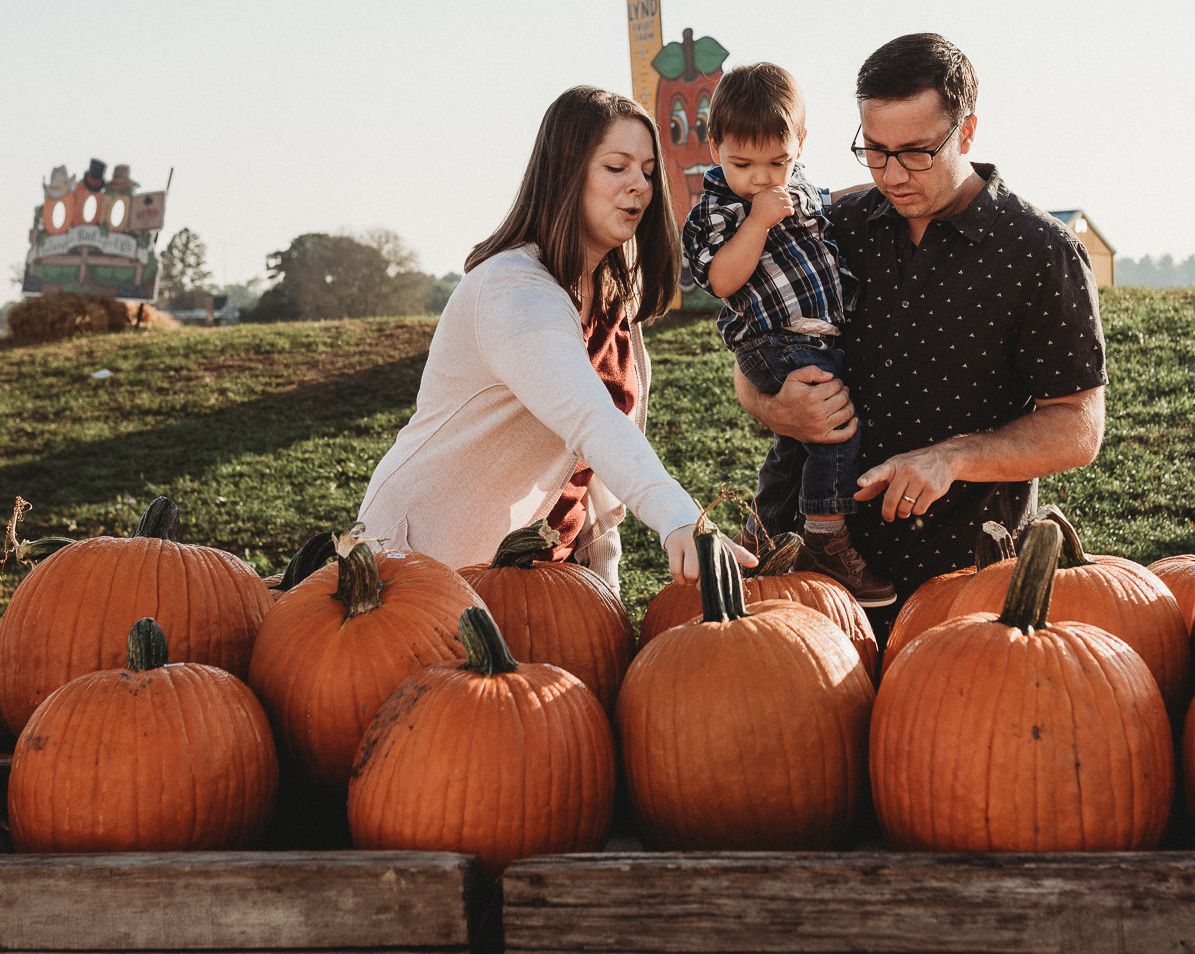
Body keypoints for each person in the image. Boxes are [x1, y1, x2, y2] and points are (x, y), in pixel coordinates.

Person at [736, 34, 1107, 610]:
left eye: (915, 152)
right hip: (797, 568)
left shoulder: (1040, 253)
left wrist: (951, 457)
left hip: (957, 581)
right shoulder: (833, 225)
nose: (892, 174)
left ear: (967, 131)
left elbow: (1078, 427)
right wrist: (772, 407)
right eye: (875, 151)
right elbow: (754, 348)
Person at [357, 85, 751, 588]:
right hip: (423, 570)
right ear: (566, 173)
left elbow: (588, 475)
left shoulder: (612, 291)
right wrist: (677, 516)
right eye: (617, 167)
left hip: (539, 576)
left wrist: (601, 591)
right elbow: (591, 417)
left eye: (649, 172)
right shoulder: (511, 291)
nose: (641, 186)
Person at [679, 63, 893, 607]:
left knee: (795, 443)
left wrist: (882, 181)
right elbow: (723, 279)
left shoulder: (793, 190)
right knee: (832, 419)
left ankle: (765, 528)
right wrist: (756, 222)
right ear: (715, 146)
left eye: (778, 161)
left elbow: (831, 199)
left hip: (815, 336)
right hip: (770, 340)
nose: (761, 178)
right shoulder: (718, 212)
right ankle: (825, 529)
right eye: (742, 163)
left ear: (800, 143)